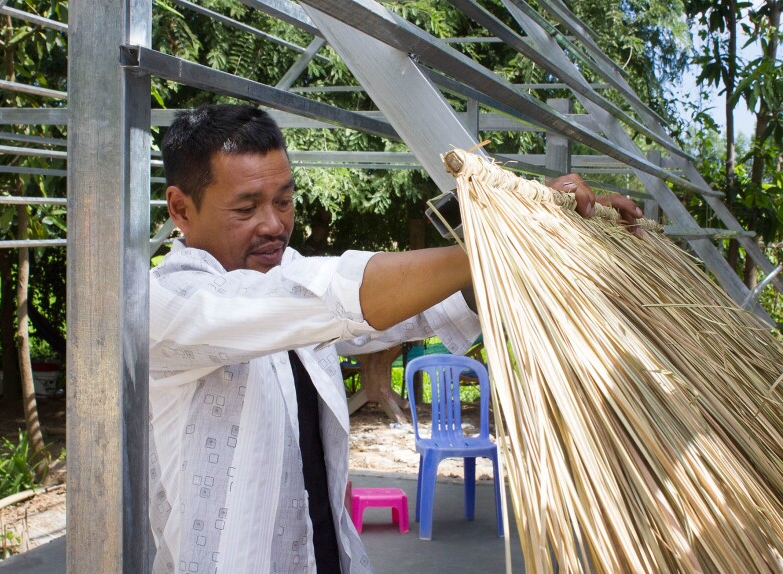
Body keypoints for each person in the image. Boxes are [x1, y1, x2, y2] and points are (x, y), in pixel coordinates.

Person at [147, 104, 642, 574]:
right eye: (246, 208)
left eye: (283, 201)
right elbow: (339, 293)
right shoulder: (170, 302)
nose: (274, 224)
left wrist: (555, 239)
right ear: (181, 209)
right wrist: (507, 236)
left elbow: (408, 312)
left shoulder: (289, 279)